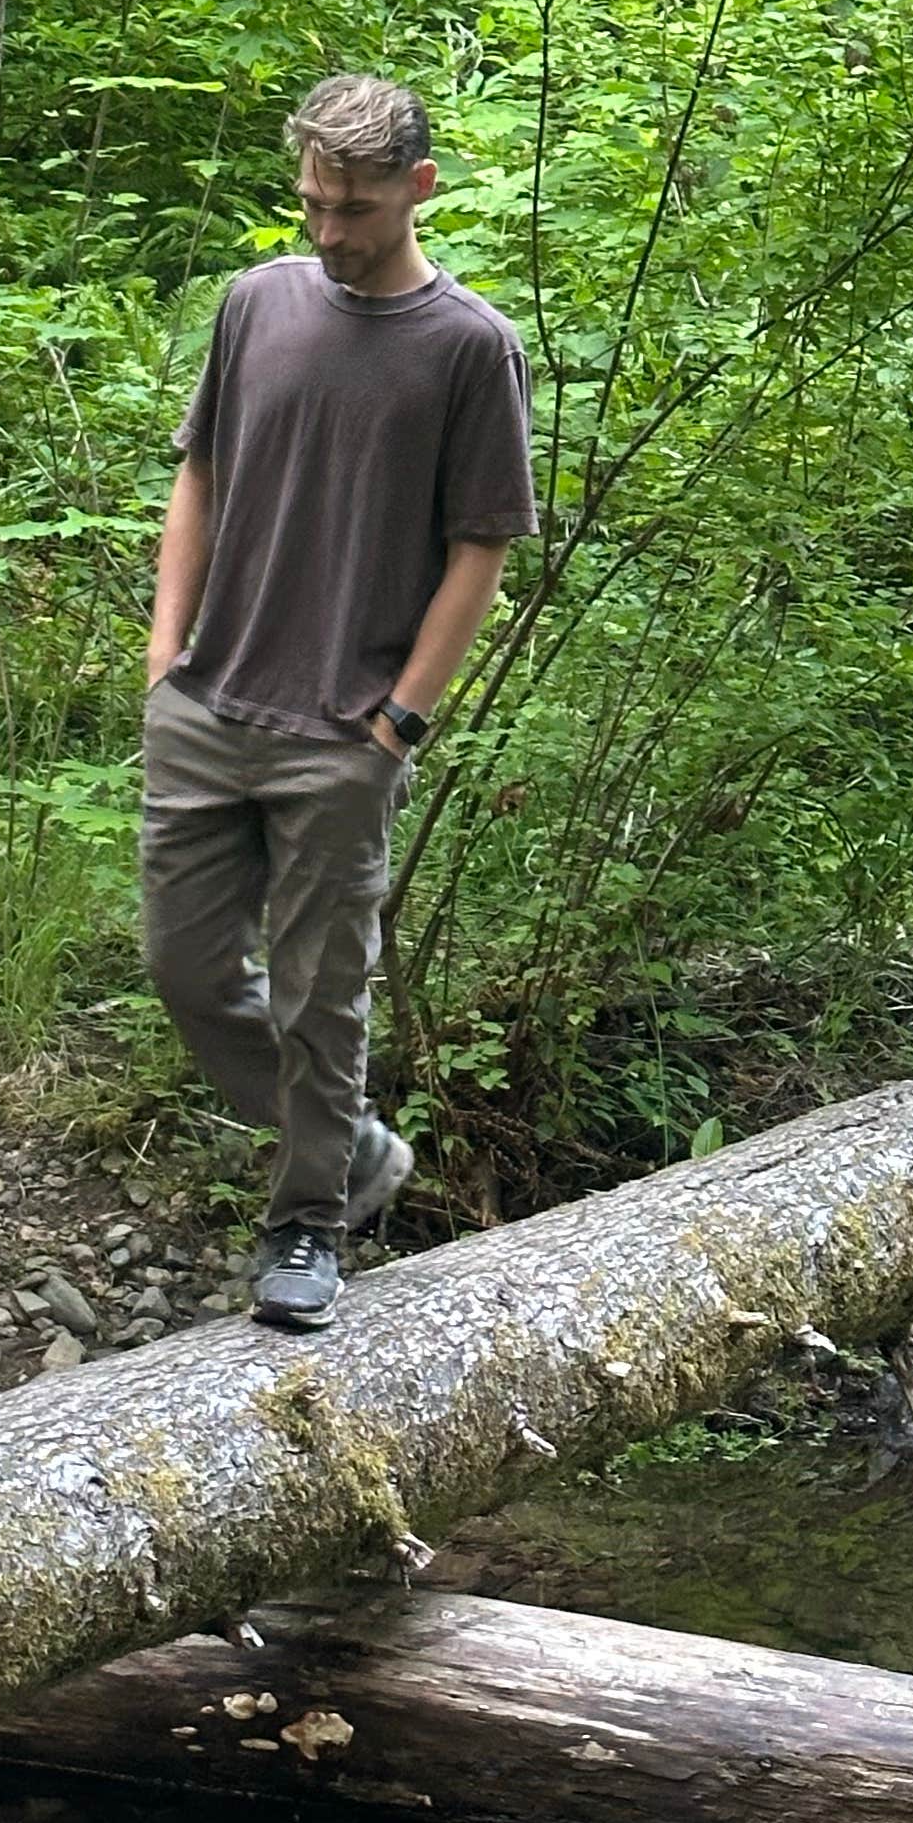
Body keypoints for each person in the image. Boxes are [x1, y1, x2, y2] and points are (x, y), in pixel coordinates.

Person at [142, 72, 537, 1330]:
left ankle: (309, 1224)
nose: (328, 229)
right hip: (210, 707)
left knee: (325, 994)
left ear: (419, 188)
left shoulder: (469, 347)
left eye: (354, 206)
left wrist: (400, 720)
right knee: (190, 973)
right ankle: (355, 1150)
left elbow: (482, 546)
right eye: (312, 201)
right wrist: (163, 662)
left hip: (345, 730)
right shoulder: (255, 305)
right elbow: (199, 474)